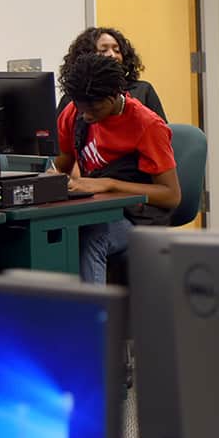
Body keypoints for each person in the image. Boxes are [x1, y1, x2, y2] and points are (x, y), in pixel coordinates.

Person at [52, 53, 180, 284]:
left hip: (138, 217)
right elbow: (60, 167)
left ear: (114, 96)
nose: (87, 116)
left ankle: (95, 317)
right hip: (95, 209)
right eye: (81, 108)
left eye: (94, 108)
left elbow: (171, 196)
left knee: (91, 237)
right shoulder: (73, 113)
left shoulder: (146, 124)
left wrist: (110, 184)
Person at [56, 27, 167, 121]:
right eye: (104, 50)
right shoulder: (72, 98)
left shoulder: (143, 90)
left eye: (117, 50)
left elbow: (162, 132)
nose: (112, 55)